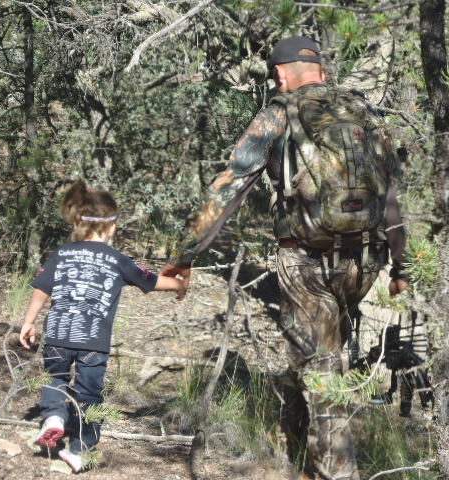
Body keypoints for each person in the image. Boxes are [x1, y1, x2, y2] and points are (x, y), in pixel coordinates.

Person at [159, 35, 409, 480]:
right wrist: (402, 266)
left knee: (323, 371)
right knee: (319, 356)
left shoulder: (279, 112)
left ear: (279, 73)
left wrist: (184, 255)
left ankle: (335, 472)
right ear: (322, 71)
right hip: (365, 261)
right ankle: (301, 453)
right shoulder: (366, 113)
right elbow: (394, 194)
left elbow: (231, 184)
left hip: (306, 261)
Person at [20, 180, 185, 473]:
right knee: (88, 393)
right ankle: (79, 450)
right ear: (111, 227)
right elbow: (151, 280)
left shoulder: (62, 253)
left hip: (58, 332)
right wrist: (180, 284)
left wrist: (29, 321)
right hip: (94, 341)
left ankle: (54, 417)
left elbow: (41, 289)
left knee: (54, 377)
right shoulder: (117, 259)